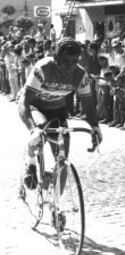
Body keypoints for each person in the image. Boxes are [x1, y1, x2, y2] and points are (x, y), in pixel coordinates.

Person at [18, 38, 102, 190]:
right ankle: (30, 163)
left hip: (57, 110)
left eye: (74, 61)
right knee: (41, 129)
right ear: (56, 58)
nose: (69, 66)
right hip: (34, 106)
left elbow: (88, 105)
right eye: (65, 61)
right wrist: (33, 128)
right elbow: (25, 101)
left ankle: (56, 207)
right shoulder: (43, 68)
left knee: (62, 159)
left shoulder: (80, 74)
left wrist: (95, 127)